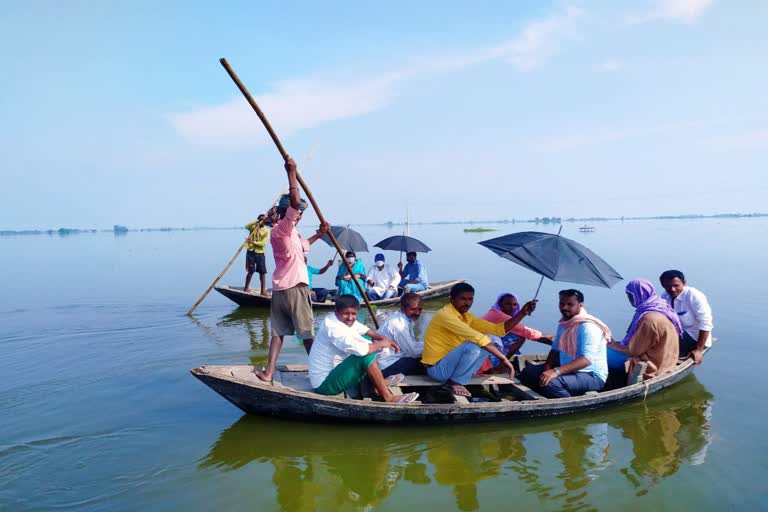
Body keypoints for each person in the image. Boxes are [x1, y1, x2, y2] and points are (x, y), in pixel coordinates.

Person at [254, 157, 330, 383]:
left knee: (278, 333)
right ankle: (322, 371)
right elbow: (296, 204)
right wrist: (292, 173)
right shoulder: (283, 229)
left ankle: (269, 373)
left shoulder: (290, 234)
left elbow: (303, 245)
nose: (299, 216)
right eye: (297, 214)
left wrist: (320, 233)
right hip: (295, 287)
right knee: (306, 333)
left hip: (280, 289)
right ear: (288, 213)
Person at [422, 282, 538, 397]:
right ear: (451, 299)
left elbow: (498, 330)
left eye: (470, 299)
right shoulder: (445, 315)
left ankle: (461, 377)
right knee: (475, 344)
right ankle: (456, 382)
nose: (467, 303)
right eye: (463, 299)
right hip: (437, 370)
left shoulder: (467, 316)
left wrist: (522, 313)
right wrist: (504, 359)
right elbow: (478, 338)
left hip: (451, 367)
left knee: (486, 344)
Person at [308, 294, 419, 403]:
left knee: (365, 339)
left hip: (337, 372)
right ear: (336, 311)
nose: (350, 318)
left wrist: (386, 340)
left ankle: (379, 382)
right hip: (324, 385)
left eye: (354, 314)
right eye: (346, 314)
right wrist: (382, 344)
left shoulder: (342, 320)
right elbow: (362, 350)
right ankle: (388, 397)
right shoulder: (333, 327)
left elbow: (367, 331)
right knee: (366, 354)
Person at [518, 289, 609, 398]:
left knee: (552, 384)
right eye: (562, 304)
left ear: (580, 305)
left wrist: (556, 371)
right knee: (527, 373)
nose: (564, 307)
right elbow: (555, 349)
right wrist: (548, 367)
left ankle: (571, 406)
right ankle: (546, 397)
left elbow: (586, 360)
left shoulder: (588, 327)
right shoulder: (564, 323)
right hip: (567, 368)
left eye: (570, 304)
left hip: (590, 375)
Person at [606, 279, 683, 381]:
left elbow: (633, 350)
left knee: (600, 354)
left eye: (631, 295)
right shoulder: (660, 306)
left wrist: (610, 345)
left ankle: (613, 381)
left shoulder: (649, 319)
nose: (629, 298)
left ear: (640, 295)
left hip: (653, 364)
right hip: (664, 357)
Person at [479, 292, 552, 374]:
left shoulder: (495, 312)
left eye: (515, 305)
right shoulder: (499, 315)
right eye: (508, 304)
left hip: (484, 347)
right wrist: (553, 342)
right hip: (483, 353)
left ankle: (500, 364)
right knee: (520, 337)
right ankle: (499, 367)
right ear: (500, 304)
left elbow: (524, 329)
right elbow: (527, 332)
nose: (512, 308)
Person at [659, 270, 714, 365]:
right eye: (668, 286)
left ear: (684, 283)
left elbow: (706, 323)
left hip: (694, 337)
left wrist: (698, 350)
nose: (672, 289)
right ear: (663, 285)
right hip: (677, 334)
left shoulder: (694, 296)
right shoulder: (664, 296)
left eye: (676, 285)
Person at [377, 293, 427, 377]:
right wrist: (433, 350)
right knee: (429, 365)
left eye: (420, 309)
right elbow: (413, 352)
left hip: (392, 358)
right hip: (387, 365)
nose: (417, 313)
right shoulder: (399, 325)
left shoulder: (404, 319)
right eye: (413, 309)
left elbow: (413, 345)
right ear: (402, 308)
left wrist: (429, 345)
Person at [244, 214, 270, 295]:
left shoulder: (266, 231)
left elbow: (263, 243)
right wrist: (257, 221)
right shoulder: (253, 228)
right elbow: (246, 226)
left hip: (260, 253)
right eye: (260, 220)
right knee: (251, 270)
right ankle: (246, 288)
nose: (262, 222)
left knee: (262, 272)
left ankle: (263, 291)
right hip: (251, 251)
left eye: (263, 221)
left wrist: (253, 242)